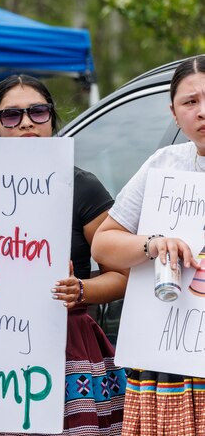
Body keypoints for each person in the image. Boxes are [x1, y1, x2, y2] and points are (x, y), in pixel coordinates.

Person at [0, 74, 127, 436]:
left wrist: (81, 290)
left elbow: (121, 274)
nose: (27, 121)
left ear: (52, 120)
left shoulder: (81, 186)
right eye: (11, 116)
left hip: (70, 349)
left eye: (38, 111)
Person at [91, 57, 205, 435]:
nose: (202, 111)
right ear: (174, 114)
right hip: (172, 356)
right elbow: (104, 244)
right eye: (190, 103)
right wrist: (153, 244)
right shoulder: (164, 164)